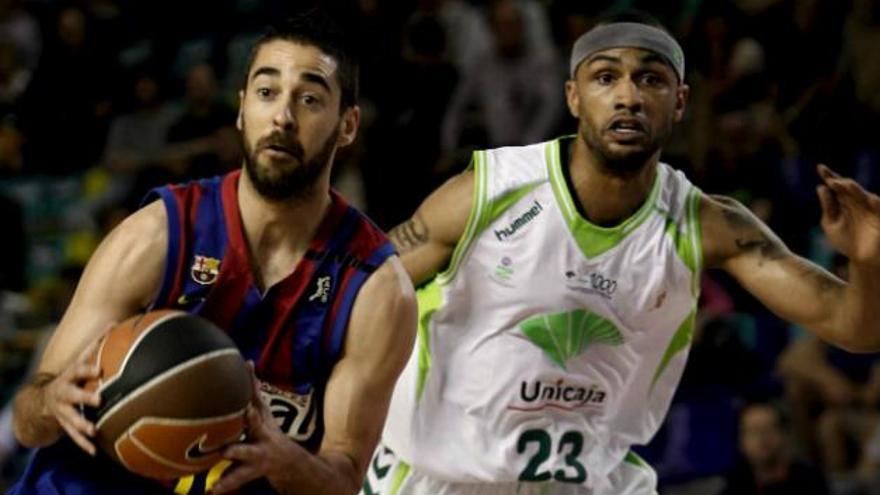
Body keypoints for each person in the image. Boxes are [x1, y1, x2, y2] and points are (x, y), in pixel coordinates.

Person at [361, 11, 880, 495]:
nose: (627, 95)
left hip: (587, 481)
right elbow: (358, 293)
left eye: (650, 79)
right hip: (437, 475)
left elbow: (855, 327)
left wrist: (870, 260)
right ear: (573, 97)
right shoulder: (490, 191)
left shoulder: (706, 225)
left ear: (680, 101)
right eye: (606, 78)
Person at [8, 10, 416, 495]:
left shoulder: (376, 288)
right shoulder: (156, 235)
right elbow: (27, 420)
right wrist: (50, 400)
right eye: (267, 93)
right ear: (243, 108)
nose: (283, 116)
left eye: (309, 99)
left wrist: (285, 461)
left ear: (348, 125)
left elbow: (343, 478)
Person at [721, 401, 829, 495]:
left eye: (769, 428)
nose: (763, 437)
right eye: (754, 431)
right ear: (741, 442)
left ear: (783, 434)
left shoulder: (810, 480)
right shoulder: (734, 489)